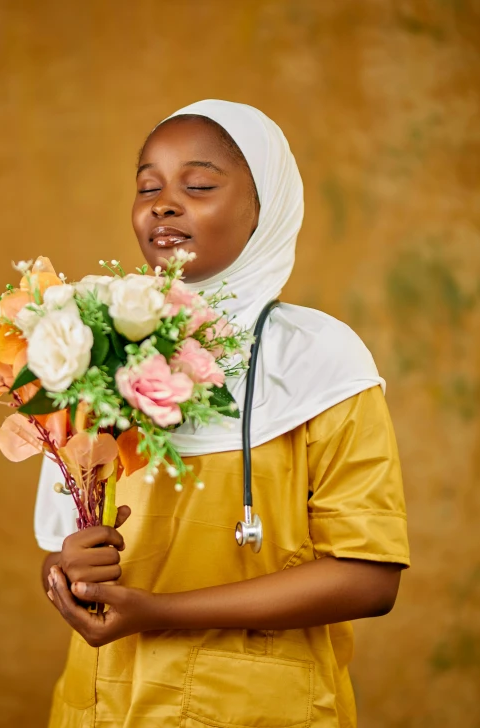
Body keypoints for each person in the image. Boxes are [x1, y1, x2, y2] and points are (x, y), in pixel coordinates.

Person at [37, 100, 410, 728]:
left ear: (266, 208)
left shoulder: (319, 357)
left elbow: (370, 579)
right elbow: (59, 548)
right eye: (147, 187)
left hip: (256, 711)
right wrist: (64, 577)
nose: (162, 203)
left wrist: (158, 612)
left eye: (200, 185)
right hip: (103, 706)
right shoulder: (93, 349)